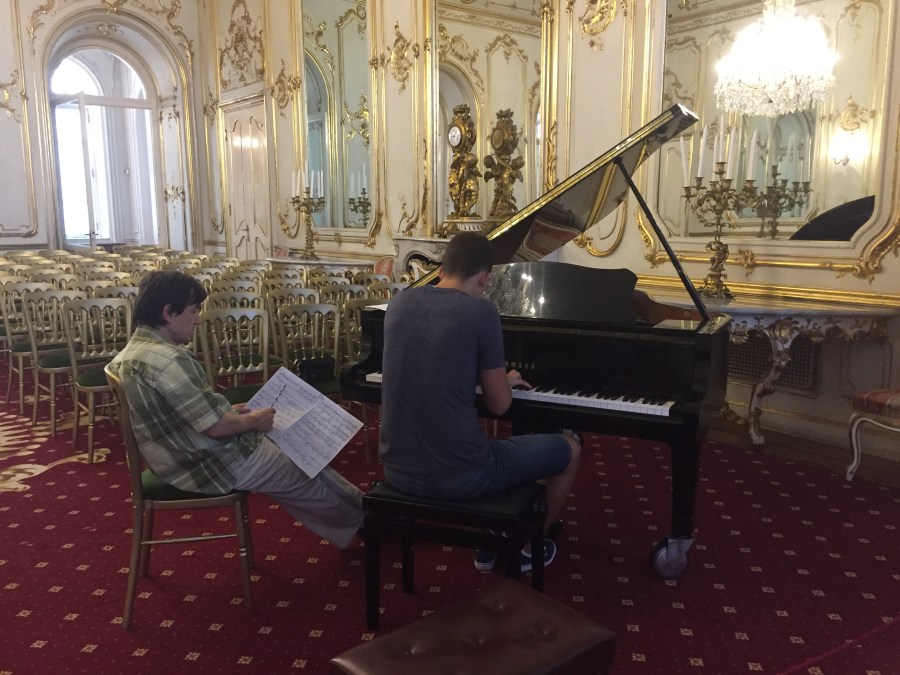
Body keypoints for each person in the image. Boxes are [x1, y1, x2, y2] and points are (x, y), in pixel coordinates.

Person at [108, 270, 364, 549]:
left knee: (298, 452)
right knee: (299, 469)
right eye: (194, 310)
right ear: (168, 312)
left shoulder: (132, 353)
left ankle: (364, 507)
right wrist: (254, 420)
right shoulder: (168, 360)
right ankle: (363, 523)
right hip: (205, 462)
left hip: (178, 454)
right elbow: (216, 427)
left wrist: (229, 410)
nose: (198, 319)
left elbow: (181, 412)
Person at [379, 231, 581, 571]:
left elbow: (434, 364)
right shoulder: (480, 311)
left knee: (514, 453)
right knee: (570, 449)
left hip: (396, 470)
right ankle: (527, 546)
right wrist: (505, 380)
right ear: (485, 278)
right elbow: (500, 405)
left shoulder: (399, 302)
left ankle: (496, 534)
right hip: (460, 475)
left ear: (441, 270)